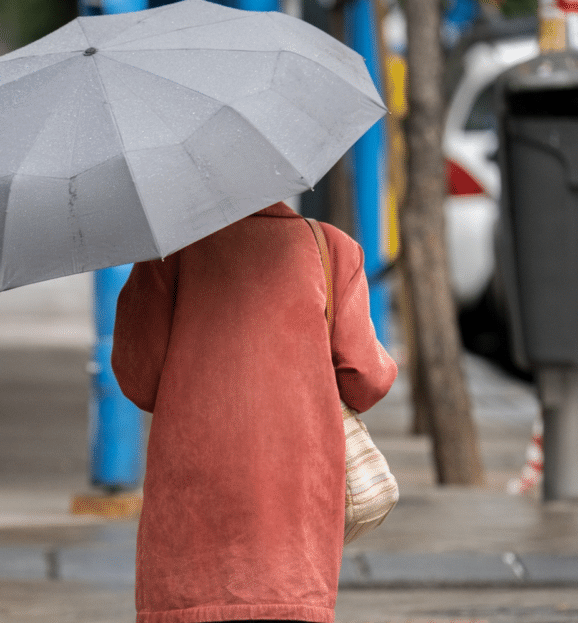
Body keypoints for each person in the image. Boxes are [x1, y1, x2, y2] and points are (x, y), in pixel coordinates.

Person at [112, 201, 398, 623]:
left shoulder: (169, 253)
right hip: (295, 496)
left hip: (192, 497)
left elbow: (139, 377)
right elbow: (366, 379)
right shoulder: (331, 249)